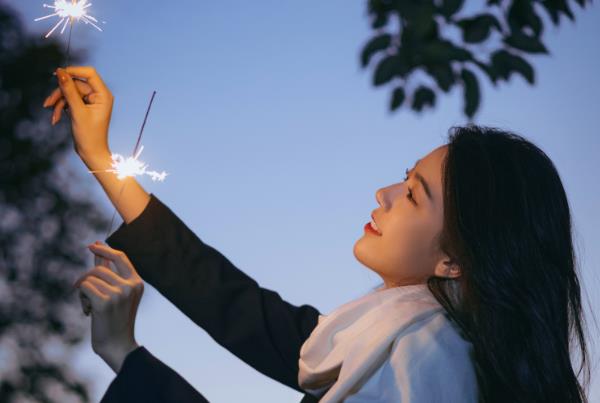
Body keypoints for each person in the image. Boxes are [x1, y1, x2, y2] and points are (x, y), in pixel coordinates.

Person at [43, 66, 593, 403]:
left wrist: (123, 351)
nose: (384, 194)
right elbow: (235, 304)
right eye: (405, 177)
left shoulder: (422, 367)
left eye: (415, 193)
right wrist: (100, 157)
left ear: (455, 259)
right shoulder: (376, 340)